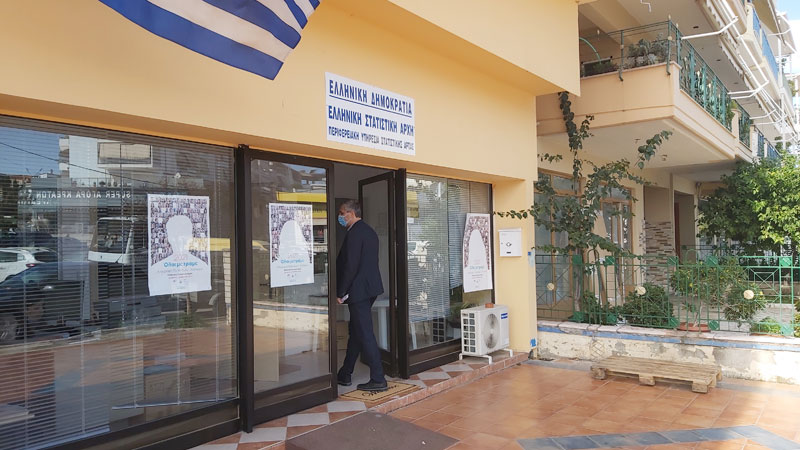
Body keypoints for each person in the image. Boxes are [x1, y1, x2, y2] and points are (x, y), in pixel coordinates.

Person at [336, 200, 387, 392]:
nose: (340, 217)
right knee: (357, 331)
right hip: (369, 288)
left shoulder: (355, 234)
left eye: (342, 213)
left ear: (351, 213)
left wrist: (341, 292)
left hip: (358, 291)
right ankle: (346, 372)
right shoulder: (369, 231)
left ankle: (378, 378)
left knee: (364, 332)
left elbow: (351, 266)